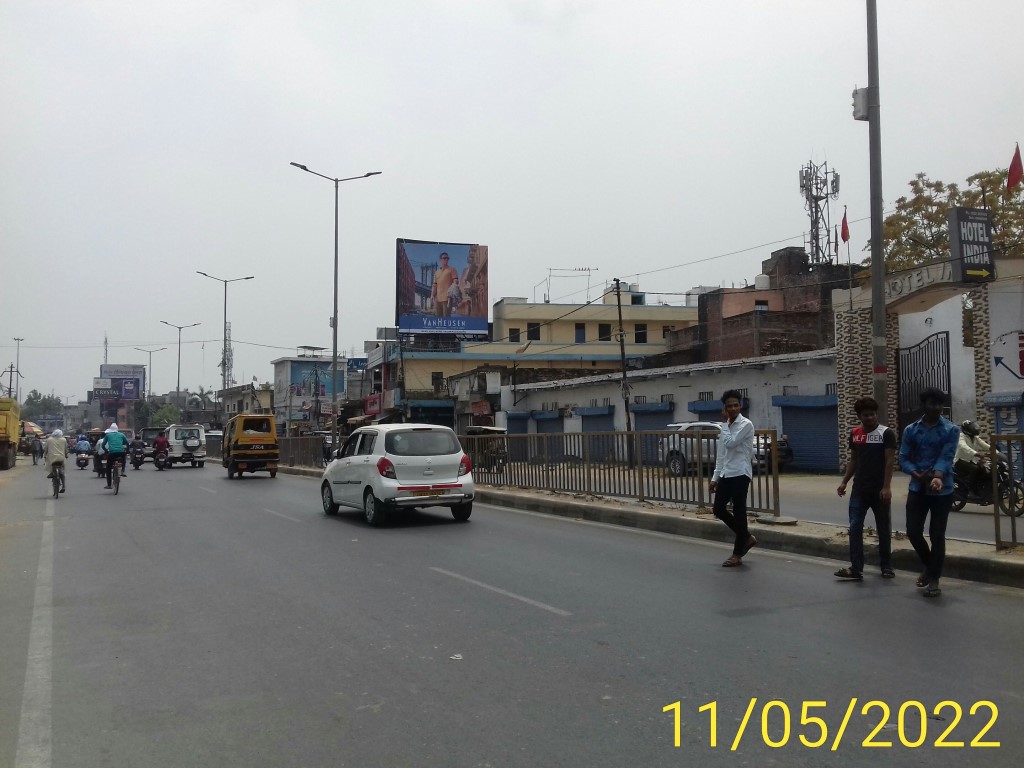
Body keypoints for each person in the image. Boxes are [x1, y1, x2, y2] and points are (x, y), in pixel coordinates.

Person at [899, 387, 959, 598]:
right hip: (917, 488)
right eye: (932, 403)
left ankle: (933, 580)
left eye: (940, 404)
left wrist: (937, 476)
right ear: (924, 405)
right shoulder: (911, 430)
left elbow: (947, 455)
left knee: (937, 535)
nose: (937, 408)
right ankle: (930, 568)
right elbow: (903, 458)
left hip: (942, 490)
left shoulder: (951, 430)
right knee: (913, 532)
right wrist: (917, 475)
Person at [835, 397, 897, 581]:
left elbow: (889, 461)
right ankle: (856, 568)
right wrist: (844, 481)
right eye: (865, 415)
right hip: (859, 490)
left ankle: (886, 566)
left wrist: (886, 487)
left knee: (883, 528)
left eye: (872, 414)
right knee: (854, 527)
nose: (870, 418)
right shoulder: (855, 434)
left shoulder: (886, 433)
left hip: (879, 490)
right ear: (859, 416)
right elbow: (854, 459)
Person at [709, 390, 757, 567]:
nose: (733, 408)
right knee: (718, 509)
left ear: (740, 405)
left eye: (735, 405)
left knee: (739, 511)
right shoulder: (726, 426)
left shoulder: (746, 424)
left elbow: (731, 443)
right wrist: (715, 477)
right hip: (726, 473)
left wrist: (724, 424)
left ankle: (737, 554)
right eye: (729, 406)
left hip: (741, 473)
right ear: (725, 407)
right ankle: (746, 537)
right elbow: (722, 454)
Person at [954, 420, 992, 498]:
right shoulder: (961, 437)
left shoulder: (975, 438)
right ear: (967, 429)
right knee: (974, 469)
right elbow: (964, 447)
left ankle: (981, 489)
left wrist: (995, 450)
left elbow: (984, 445)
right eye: (971, 427)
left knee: (984, 469)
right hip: (960, 461)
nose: (974, 428)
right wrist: (976, 453)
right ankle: (970, 491)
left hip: (971, 460)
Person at [430, 252, 459, 317]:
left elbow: (455, 280)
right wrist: (432, 295)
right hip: (437, 299)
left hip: (447, 298)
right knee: (438, 319)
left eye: (447, 258)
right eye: (444, 258)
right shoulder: (436, 272)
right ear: (440, 260)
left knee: (446, 318)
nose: (446, 259)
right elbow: (434, 285)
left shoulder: (452, 269)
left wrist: (454, 285)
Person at [101, 422, 129, 488]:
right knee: (123, 460)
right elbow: (127, 443)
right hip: (121, 452)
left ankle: (109, 485)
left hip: (112, 453)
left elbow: (103, 445)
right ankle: (122, 471)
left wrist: (106, 451)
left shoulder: (108, 435)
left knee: (108, 468)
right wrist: (127, 451)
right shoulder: (122, 435)